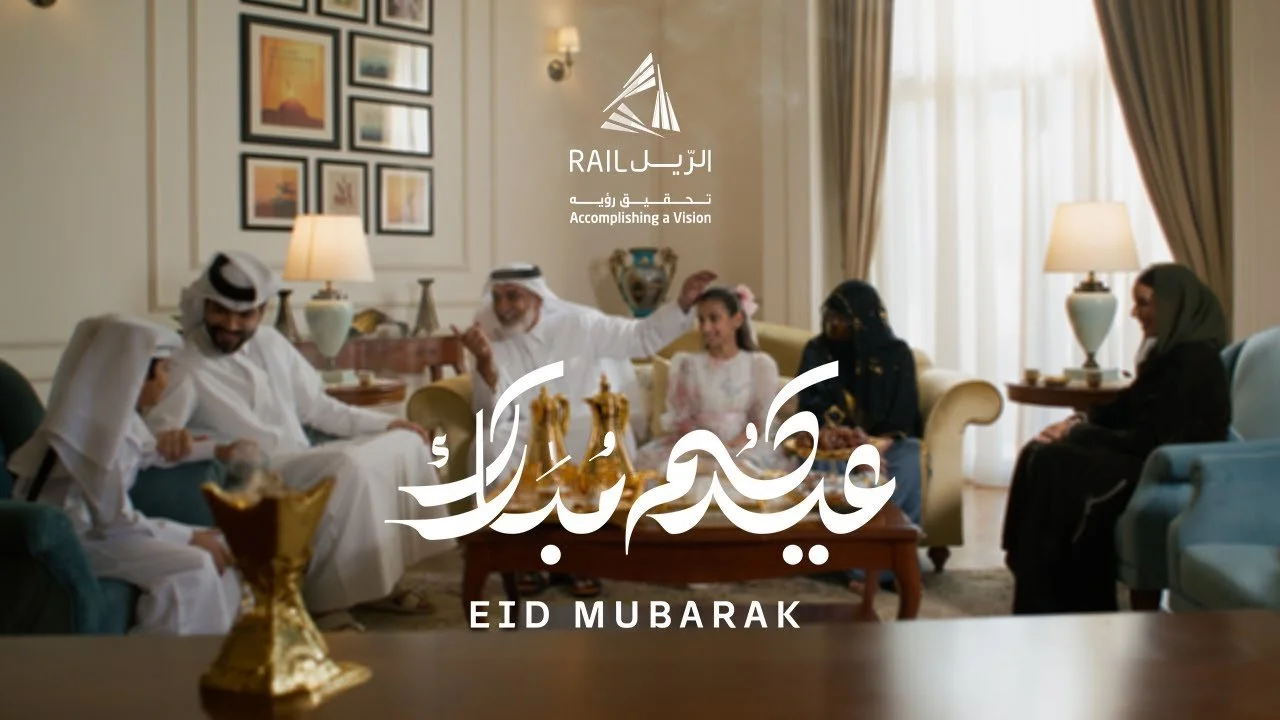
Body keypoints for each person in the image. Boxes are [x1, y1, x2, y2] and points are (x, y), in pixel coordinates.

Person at [144, 251, 451, 631]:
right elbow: (157, 434)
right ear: (204, 305)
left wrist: (389, 424)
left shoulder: (271, 343)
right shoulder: (185, 364)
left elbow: (319, 408)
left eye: (244, 315)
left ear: (261, 311)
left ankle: (378, 583)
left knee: (405, 442)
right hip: (256, 474)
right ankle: (327, 603)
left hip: (302, 457)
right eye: (220, 312)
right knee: (347, 467)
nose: (231, 325)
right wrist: (174, 436)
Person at [454, 262, 717, 597]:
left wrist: (682, 303)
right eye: (497, 297)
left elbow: (640, 337)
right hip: (527, 429)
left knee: (608, 441)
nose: (503, 307)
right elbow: (492, 413)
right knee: (488, 445)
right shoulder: (490, 337)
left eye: (512, 296)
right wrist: (484, 363)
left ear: (536, 297)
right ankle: (517, 556)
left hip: (582, 426)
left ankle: (583, 558)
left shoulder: (581, 323)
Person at [1002, 263, 1231, 614]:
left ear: (1172, 304)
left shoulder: (1195, 363)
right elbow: (1124, 408)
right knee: (1037, 449)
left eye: (1144, 303)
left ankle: (1065, 603)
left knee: (1054, 461)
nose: (1135, 313)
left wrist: (1079, 434)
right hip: (1140, 456)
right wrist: (1077, 420)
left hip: (1160, 468)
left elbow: (1152, 440)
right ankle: (1028, 573)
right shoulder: (1168, 355)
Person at [6, 314, 244, 635]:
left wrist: (216, 450)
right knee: (196, 563)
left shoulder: (118, 419)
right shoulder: (96, 435)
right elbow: (116, 522)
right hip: (78, 541)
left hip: (105, 534)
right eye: (164, 370)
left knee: (225, 544)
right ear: (136, 374)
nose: (168, 380)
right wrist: (189, 536)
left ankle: (221, 650)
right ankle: (160, 658)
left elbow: (147, 452)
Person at [794, 280, 925, 592]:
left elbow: (903, 415)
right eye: (830, 317)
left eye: (842, 319)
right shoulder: (817, 351)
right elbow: (809, 407)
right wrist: (840, 440)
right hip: (835, 448)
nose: (833, 325)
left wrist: (873, 447)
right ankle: (864, 567)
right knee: (822, 467)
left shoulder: (897, 354)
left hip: (885, 447)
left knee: (911, 459)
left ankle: (887, 560)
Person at [633, 285, 794, 475]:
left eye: (714, 319)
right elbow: (682, 417)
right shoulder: (687, 364)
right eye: (701, 320)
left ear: (737, 320)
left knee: (749, 468)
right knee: (653, 464)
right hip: (698, 446)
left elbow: (760, 420)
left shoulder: (758, 365)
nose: (706, 327)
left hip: (742, 445)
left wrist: (731, 446)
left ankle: (722, 471)